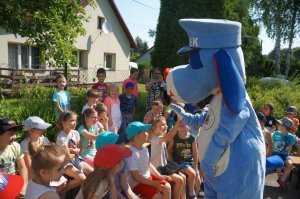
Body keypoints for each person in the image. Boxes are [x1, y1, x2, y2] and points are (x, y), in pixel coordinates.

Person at [125, 121, 172, 199]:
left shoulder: (144, 148)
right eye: (144, 132)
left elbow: (149, 164)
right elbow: (136, 177)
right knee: (158, 196)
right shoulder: (131, 153)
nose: (147, 133)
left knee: (167, 187)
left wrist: (159, 176)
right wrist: (153, 183)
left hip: (148, 178)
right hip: (137, 183)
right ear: (137, 136)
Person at [150, 116, 186, 199]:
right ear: (154, 128)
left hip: (164, 165)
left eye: (166, 124)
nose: (165, 126)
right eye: (162, 125)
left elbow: (166, 151)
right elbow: (170, 135)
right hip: (158, 169)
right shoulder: (156, 139)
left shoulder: (161, 137)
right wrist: (177, 123)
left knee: (183, 177)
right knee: (179, 180)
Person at [95, 131, 139, 199]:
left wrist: (133, 197)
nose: (123, 144)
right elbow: (109, 188)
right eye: (119, 143)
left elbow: (123, 182)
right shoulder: (101, 165)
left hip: (119, 192)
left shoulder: (121, 160)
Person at [56, 111, 89, 191]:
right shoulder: (62, 137)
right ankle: (61, 192)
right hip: (65, 162)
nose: (74, 123)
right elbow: (67, 157)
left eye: (75, 120)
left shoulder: (75, 133)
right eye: (71, 120)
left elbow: (81, 150)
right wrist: (75, 151)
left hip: (76, 159)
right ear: (63, 122)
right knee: (82, 178)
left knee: (93, 174)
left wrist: (72, 150)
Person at [167, 119, 200, 199]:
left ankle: (195, 193)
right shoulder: (175, 137)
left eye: (183, 123)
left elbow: (195, 154)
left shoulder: (192, 138)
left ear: (188, 126)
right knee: (192, 173)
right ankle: (192, 194)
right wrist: (171, 162)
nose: (181, 124)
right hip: (178, 161)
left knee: (198, 178)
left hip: (189, 162)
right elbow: (168, 150)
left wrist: (195, 167)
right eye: (179, 123)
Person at [0, 118, 28, 197]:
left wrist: (24, 184)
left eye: (14, 133)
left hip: (12, 184)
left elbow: (22, 167)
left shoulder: (15, 146)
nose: (14, 136)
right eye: (10, 134)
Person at [272, 117, 295, 190]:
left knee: (290, 164)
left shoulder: (291, 136)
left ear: (284, 127)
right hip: (276, 153)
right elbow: (271, 143)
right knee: (279, 164)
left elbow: (290, 146)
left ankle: (282, 179)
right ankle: (279, 178)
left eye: (279, 124)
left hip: (285, 155)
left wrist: (287, 154)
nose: (278, 125)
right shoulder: (276, 133)